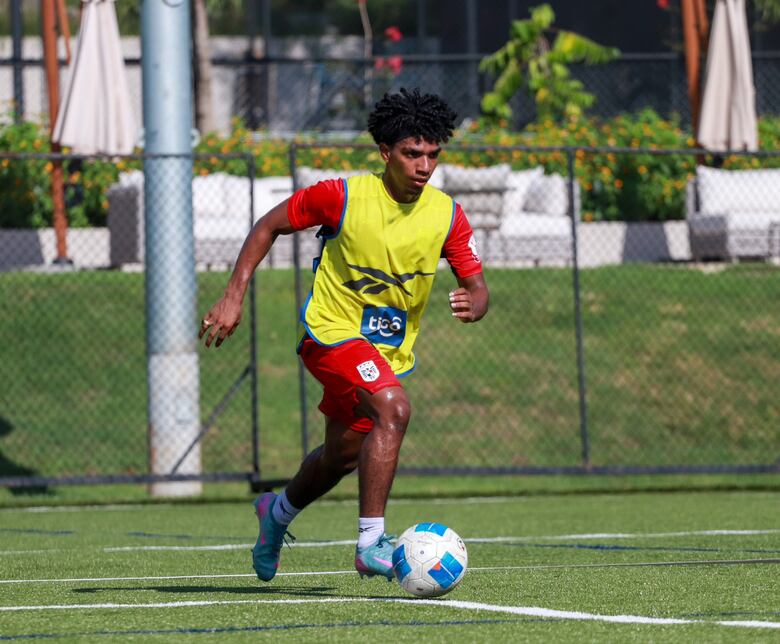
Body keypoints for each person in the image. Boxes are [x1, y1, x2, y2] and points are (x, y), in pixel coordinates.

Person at [199, 87, 489, 582]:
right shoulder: (343, 196)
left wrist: (474, 304)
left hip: (384, 353)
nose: (424, 165)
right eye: (411, 153)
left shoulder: (447, 215)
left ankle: (277, 514)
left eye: (433, 155)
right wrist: (233, 294)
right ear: (385, 153)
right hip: (330, 335)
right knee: (394, 408)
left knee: (340, 458)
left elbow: (477, 286)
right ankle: (371, 543)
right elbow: (268, 225)